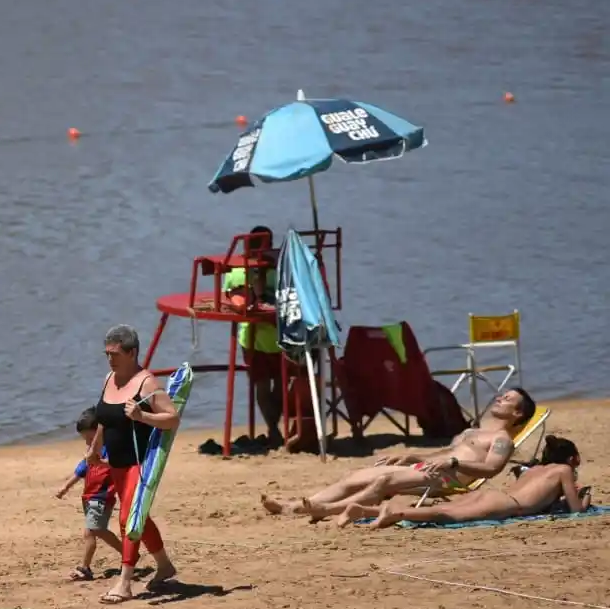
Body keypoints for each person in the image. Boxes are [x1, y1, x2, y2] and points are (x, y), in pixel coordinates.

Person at [260, 388, 537, 519]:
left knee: (382, 483)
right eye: (502, 395)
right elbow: (445, 452)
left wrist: (452, 461)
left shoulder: (501, 440)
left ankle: (327, 510)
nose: (500, 398)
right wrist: (413, 457)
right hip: (430, 469)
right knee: (354, 476)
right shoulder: (471, 431)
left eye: (508, 399)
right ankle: (292, 505)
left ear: (517, 414)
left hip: (449, 479)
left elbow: (490, 469)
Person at [90, 324, 180, 604]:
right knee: (138, 514)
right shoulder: (109, 379)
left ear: (132, 352)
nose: (110, 359)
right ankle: (164, 566)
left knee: (129, 516)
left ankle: (125, 581)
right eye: (107, 353)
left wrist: (143, 417)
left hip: (139, 462)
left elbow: (172, 418)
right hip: (115, 462)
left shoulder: (147, 383)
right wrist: (94, 448)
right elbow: (104, 418)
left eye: (115, 353)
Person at [338, 436, 586, 529]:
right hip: (508, 505)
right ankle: (395, 513)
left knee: (445, 508)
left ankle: (365, 510)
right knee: (447, 515)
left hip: (495, 495)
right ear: (572, 459)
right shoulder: (564, 470)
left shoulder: (535, 469)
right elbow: (575, 511)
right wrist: (584, 499)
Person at [222, 226, 283, 447]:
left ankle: (275, 428)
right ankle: (273, 429)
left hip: (279, 337)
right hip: (255, 338)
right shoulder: (238, 270)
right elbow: (237, 300)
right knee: (266, 386)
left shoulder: (279, 269)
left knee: (278, 387)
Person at [55, 407, 121, 582]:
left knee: (96, 529)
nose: (87, 442)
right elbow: (80, 471)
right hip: (89, 497)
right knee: (90, 533)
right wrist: (65, 487)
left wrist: (100, 460)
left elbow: (117, 466)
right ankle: (88, 568)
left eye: (90, 438)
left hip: (102, 497)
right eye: (84, 438)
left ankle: (86, 568)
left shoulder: (109, 449)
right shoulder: (90, 453)